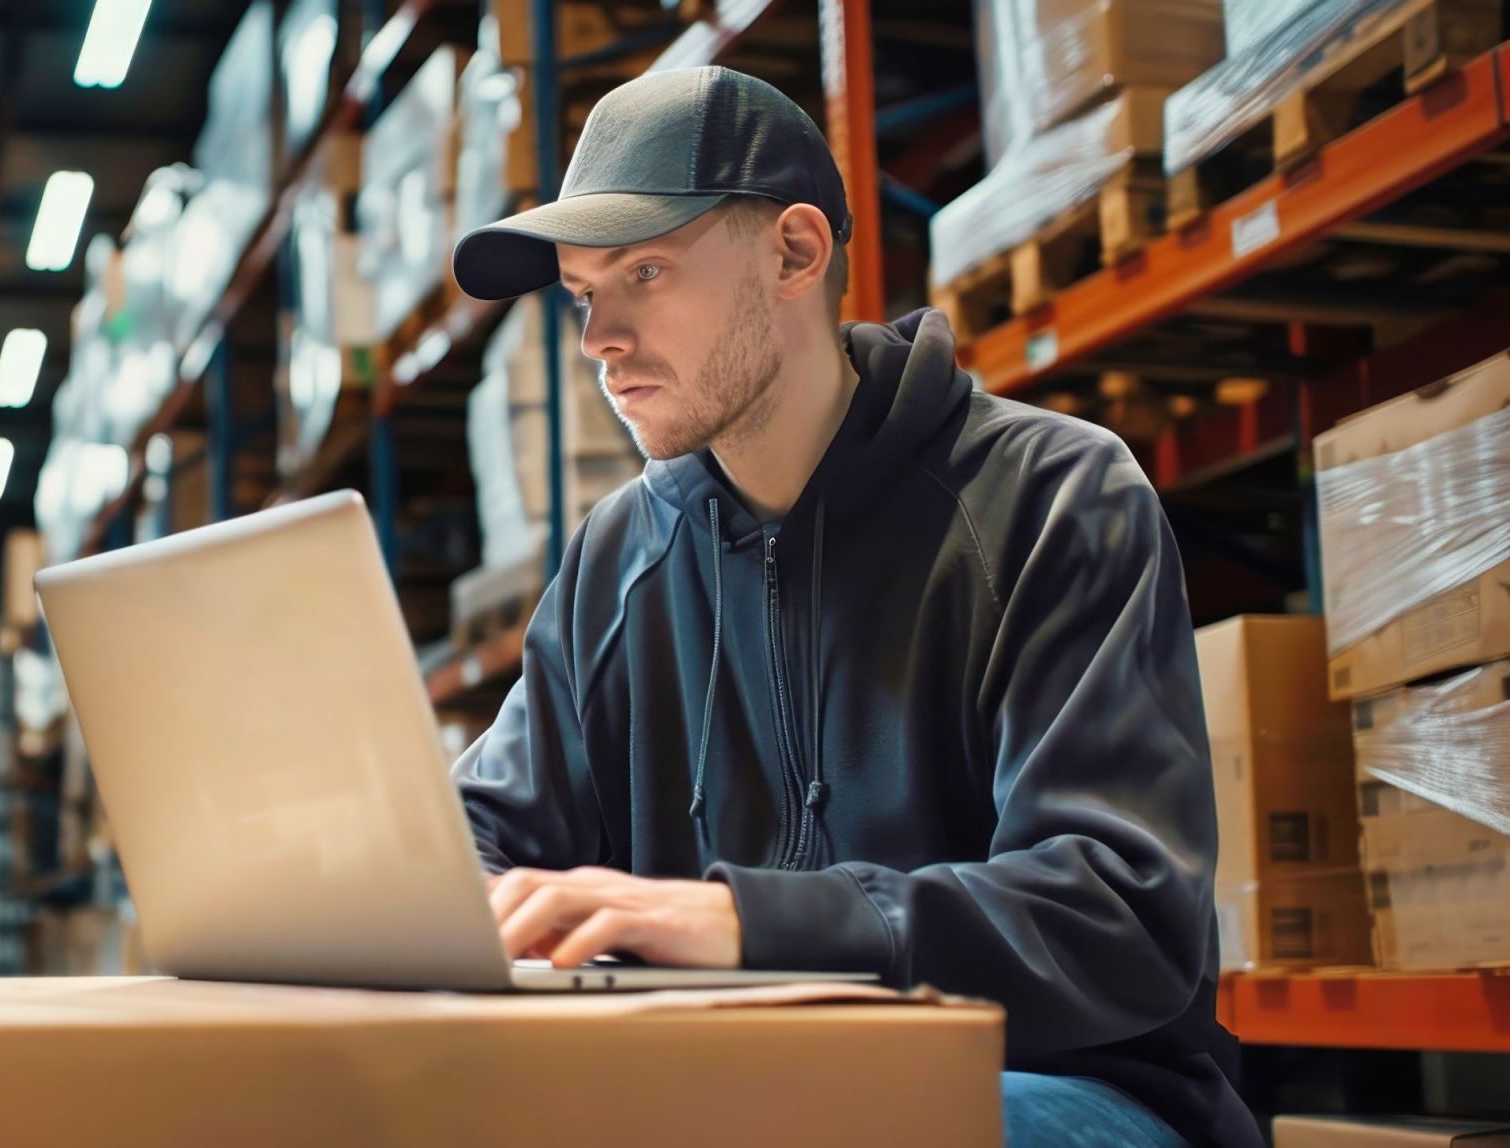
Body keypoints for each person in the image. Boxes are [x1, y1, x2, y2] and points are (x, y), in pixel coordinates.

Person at [447, 66, 1260, 1148]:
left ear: (794, 252)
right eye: (585, 292)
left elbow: (1119, 914)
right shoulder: (618, 559)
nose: (601, 335)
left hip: (1060, 1086)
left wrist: (750, 923)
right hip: (744, 1088)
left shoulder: (1051, 495)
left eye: (645, 270)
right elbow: (478, 830)